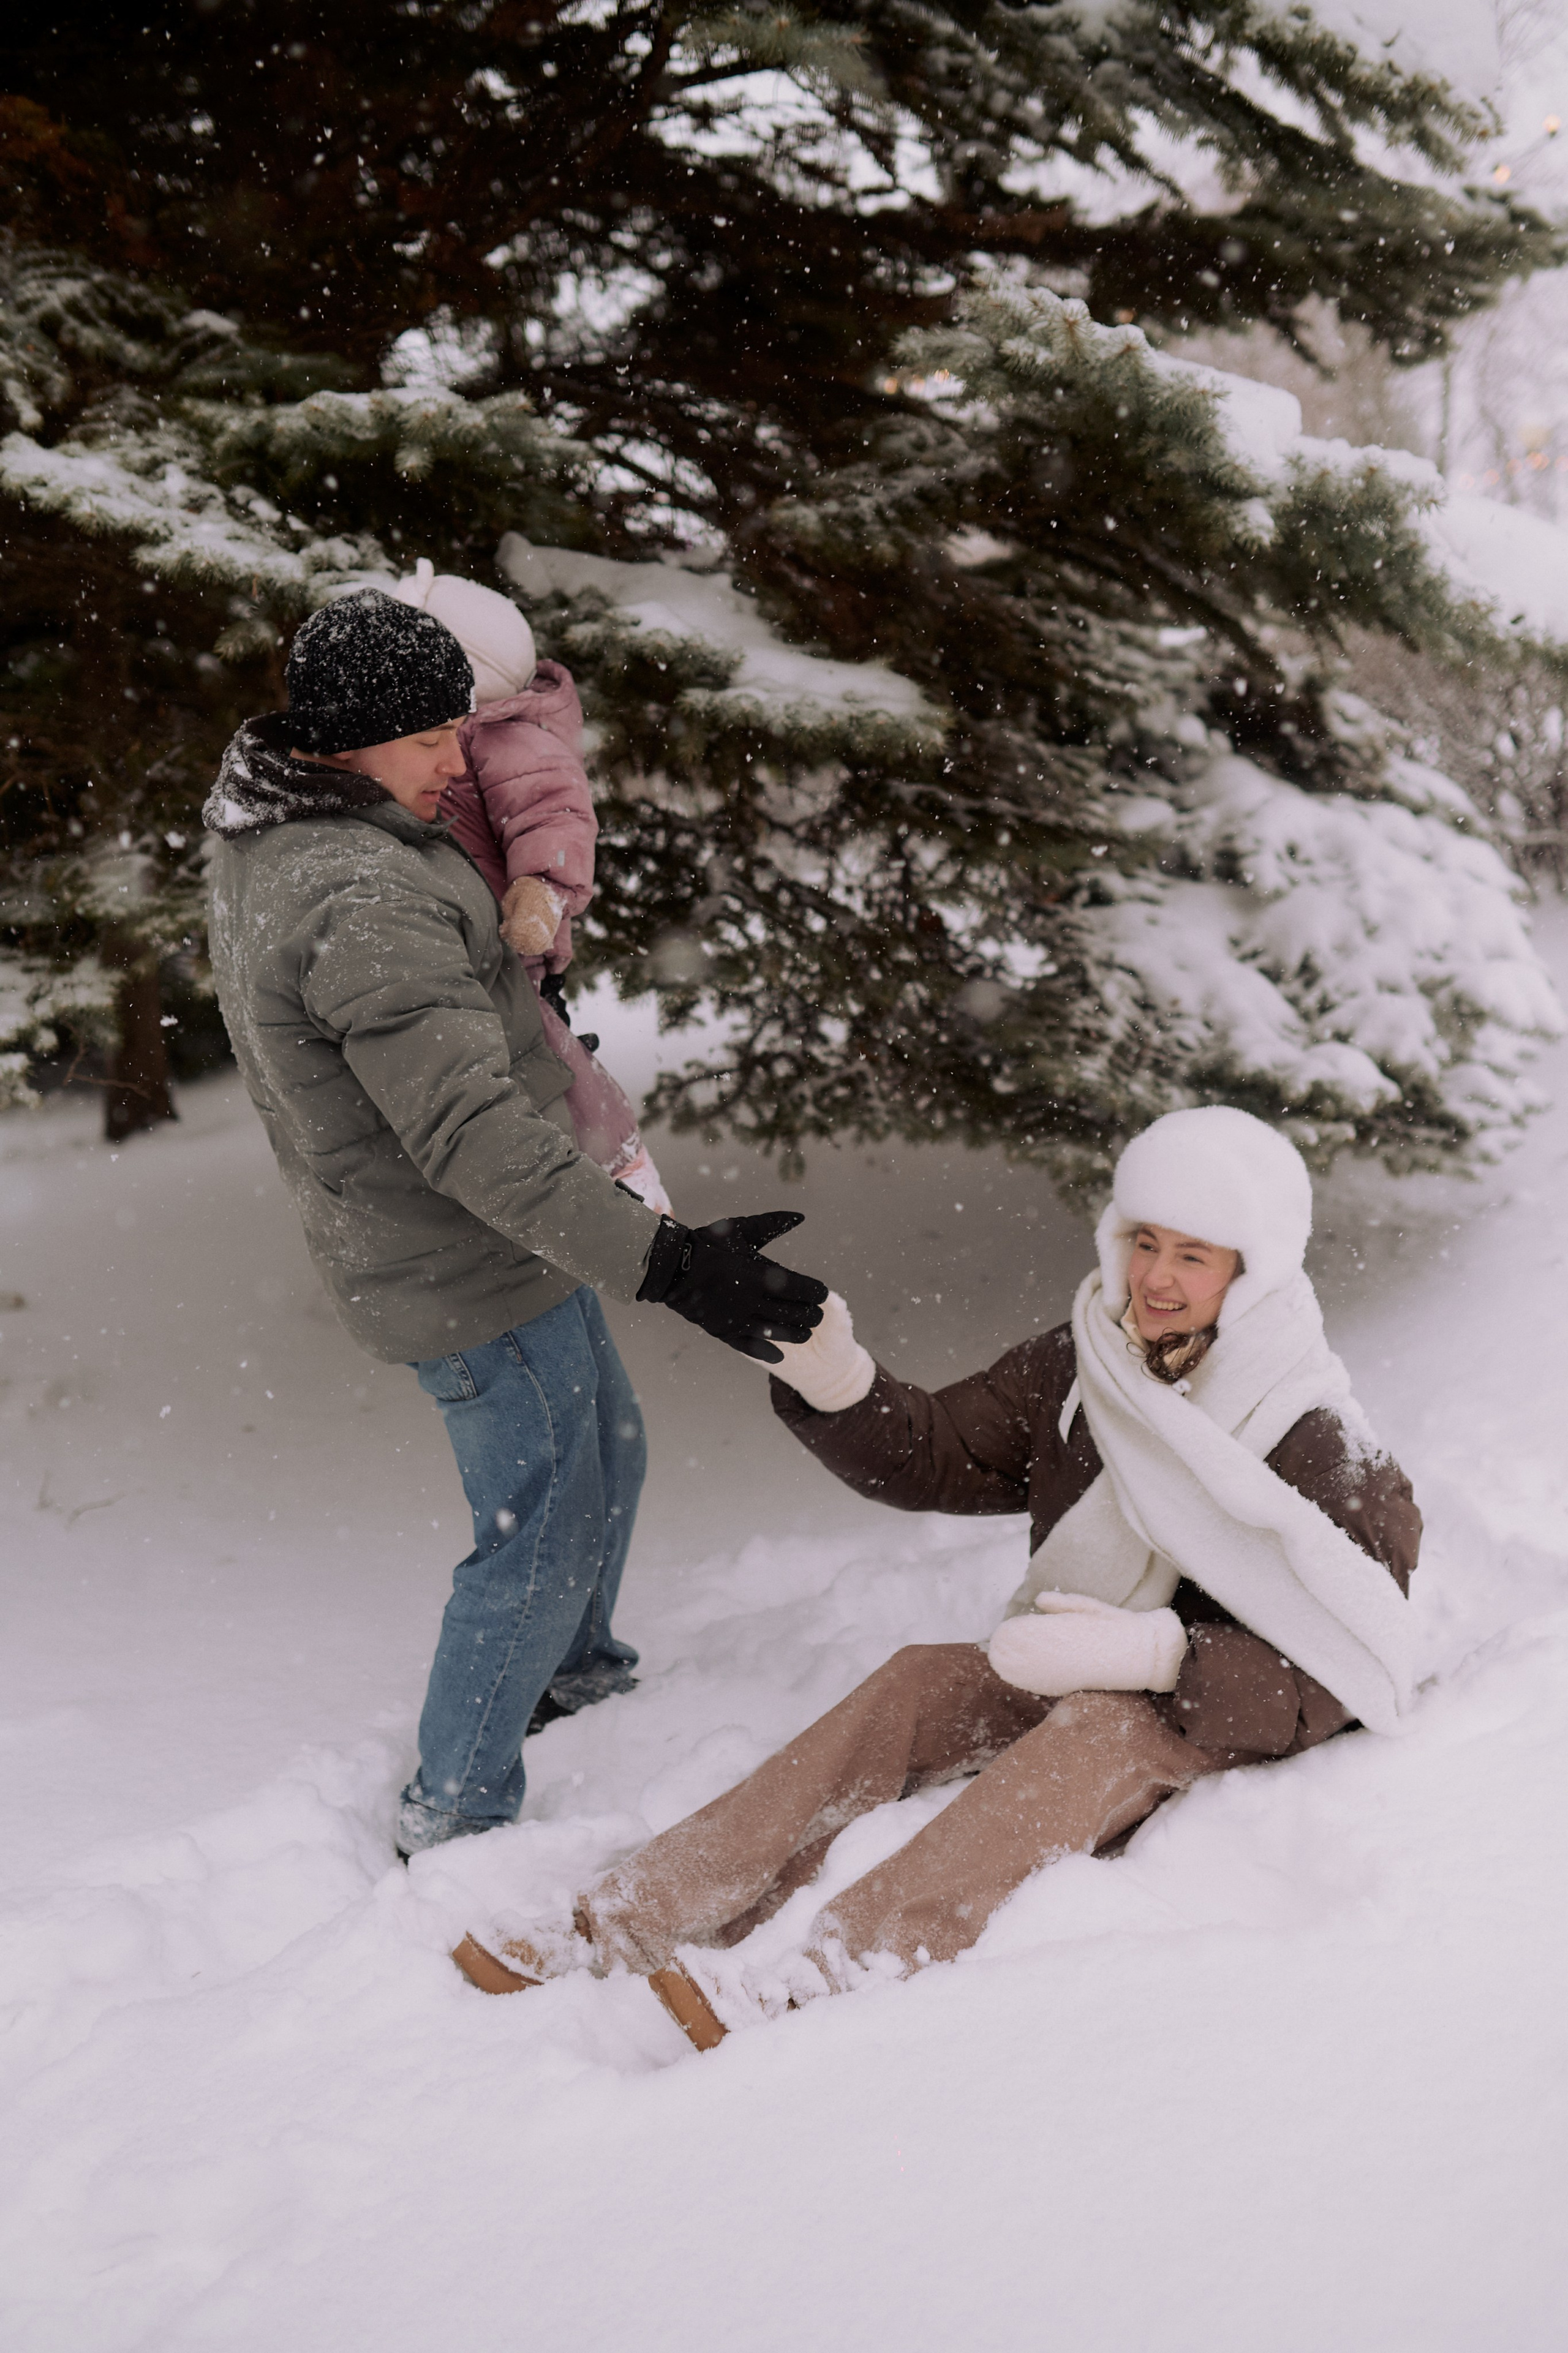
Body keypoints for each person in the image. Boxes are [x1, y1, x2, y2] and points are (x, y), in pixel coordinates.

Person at [451, 1106, 1420, 2049]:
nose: (1155, 1277)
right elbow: (940, 1452)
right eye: (1145, 1241)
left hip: (1199, 1710)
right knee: (921, 1679)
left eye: (1193, 1256)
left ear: (1252, 1275)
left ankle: (836, 1968)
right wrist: (836, 1378)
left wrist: (1160, 1653)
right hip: (1068, 1654)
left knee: (1098, 1725)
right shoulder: (1090, 1361)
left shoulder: (1321, 1440)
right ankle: (623, 1922)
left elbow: (1349, 1666)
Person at [203, 587, 826, 1857]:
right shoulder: (356, 895)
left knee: (609, 1446)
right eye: (434, 735)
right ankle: (458, 1809)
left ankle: (573, 1669)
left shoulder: (308, 817)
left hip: (499, 1234)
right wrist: (672, 1264)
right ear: (350, 735)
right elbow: (466, 1140)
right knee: (538, 1522)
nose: (457, 756)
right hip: (466, 1257)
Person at [390, 559, 670, 1212]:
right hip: (471, 941)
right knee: (512, 1075)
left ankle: (626, 1183)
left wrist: (542, 891)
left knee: (557, 1072)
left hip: (517, 945)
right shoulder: (455, 734)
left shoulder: (509, 735)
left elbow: (557, 816)